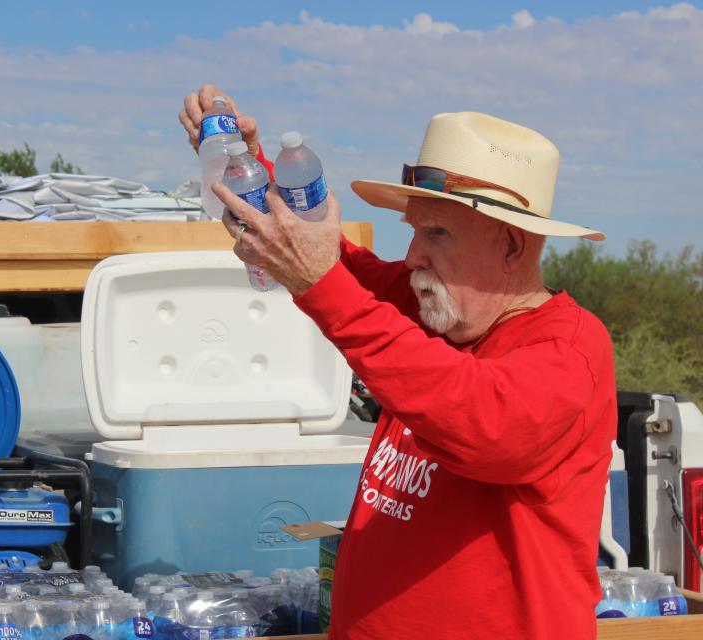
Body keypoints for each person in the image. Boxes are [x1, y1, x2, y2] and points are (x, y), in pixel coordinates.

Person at [180, 86, 617, 640]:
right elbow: (331, 262)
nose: (412, 256)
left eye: (437, 233)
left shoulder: (569, 349)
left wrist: (321, 284)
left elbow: (482, 423)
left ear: (511, 245)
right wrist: (248, 170)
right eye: (414, 230)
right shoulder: (435, 307)